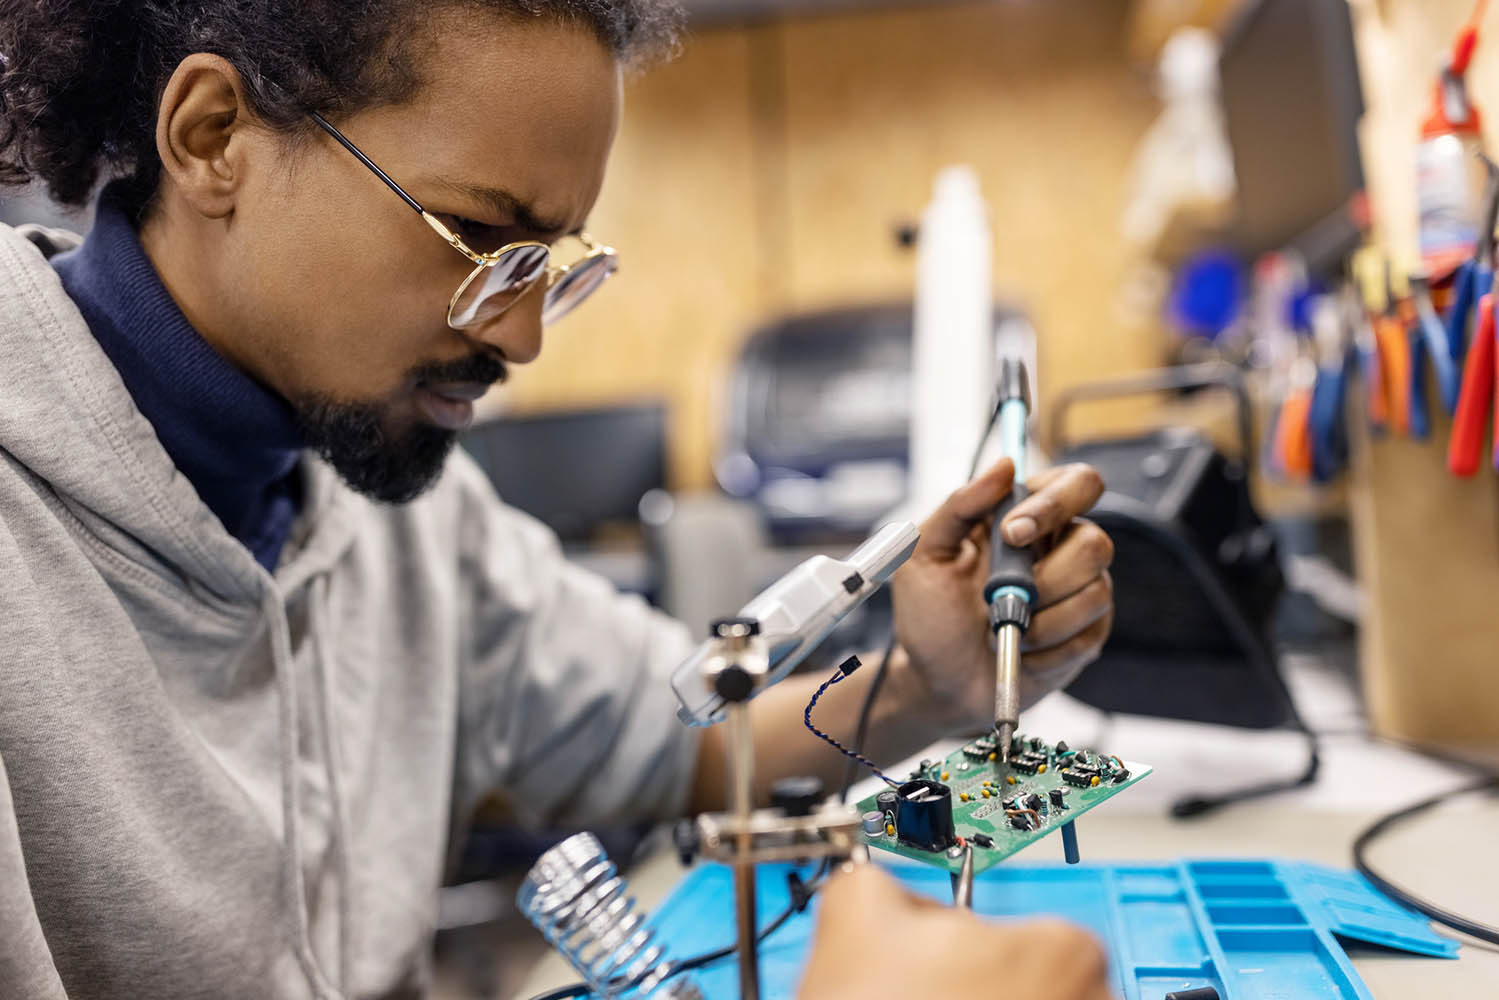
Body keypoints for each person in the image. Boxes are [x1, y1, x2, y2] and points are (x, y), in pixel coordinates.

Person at [0, 2, 1116, 997]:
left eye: (550, 262)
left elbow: (684, 743)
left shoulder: (404, 515)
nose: (519, 336)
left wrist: (929, 681)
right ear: (211, 139)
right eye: (479, 238)